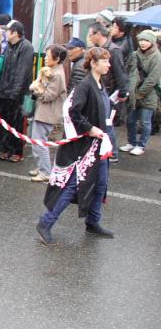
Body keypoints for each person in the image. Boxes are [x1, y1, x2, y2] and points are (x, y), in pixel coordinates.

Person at [36, 47, 115, 245]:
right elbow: (72, 111)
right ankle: (45, 222)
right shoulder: (85, 85)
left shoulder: (100, 84)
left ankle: (92, 221)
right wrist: (89, 129)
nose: (109, 64)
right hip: (84, 146)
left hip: (100, 145)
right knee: (73, 186)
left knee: (101, 184)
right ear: (94, 63)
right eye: (105, 61)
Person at [87, 22, 128, 161]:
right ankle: (103, 150)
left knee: (106, 123)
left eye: (91, 34)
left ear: (98, 34)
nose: (89, 37)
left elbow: (120, 72)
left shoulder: (114, 50)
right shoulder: (97, 49)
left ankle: (113, 153)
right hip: (99, 89)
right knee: (101, 122)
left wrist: (122, 92)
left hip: (110, 93)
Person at [0, 20, 34, 162]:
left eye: (7, 31)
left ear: (15, 33)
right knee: (5, 122)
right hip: (5, 92)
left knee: (17, 123)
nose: (5, 33)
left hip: (18, 95)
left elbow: (22, 73)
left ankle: (17, 151)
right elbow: (6, 71)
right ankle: (6, 149)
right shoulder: (9, 47)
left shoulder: (26, 47)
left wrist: (15, 93)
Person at [28, 44, 68, 182]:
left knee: (40, 142)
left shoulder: (56, 75)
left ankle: (45, 171)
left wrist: (36, 88)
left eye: (48, 55)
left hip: (47, 113)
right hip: (43, 111)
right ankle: (41, 167)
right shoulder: (51, 70)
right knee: (35, 141)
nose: (45, 58)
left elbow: (48, 95)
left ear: (56, 59)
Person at [122, 30, 161, 156]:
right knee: (130, 120)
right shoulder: (134, 54)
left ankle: (141, 145)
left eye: (146, 40)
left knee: (145, 121)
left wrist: (140, 93)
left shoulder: (157, 56)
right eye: (141, 40)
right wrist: (130, 90)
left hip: (148, 95)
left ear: (152, 42)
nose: (143, 43)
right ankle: (131, 142)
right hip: (133, 94)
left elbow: (153, 79)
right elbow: (128, 70)